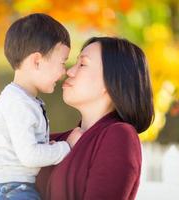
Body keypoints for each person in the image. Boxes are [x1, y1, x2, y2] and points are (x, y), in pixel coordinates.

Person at [36, 37, 154, 200]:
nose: (69, 72)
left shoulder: (120, 136)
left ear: (112, 80)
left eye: (82, 64)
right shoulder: (53, 142)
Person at [0, 13, 82, 200]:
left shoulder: (24, 100)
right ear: (36, 61)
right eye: (62, 62)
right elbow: (30, 156)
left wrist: (46, 147)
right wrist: (66, 147)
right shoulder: (18, 103)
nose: (64, 71)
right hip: (9, 189)